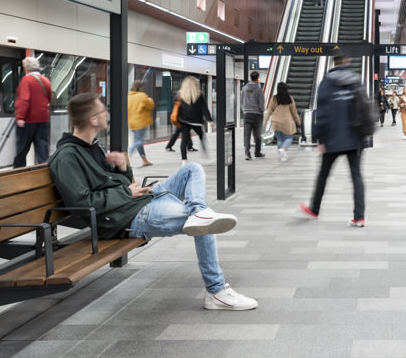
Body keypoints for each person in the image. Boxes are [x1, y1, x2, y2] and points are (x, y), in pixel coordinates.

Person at [48, 92, 257, 311]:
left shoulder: (94, 147)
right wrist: (126, 194)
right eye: (102, 110)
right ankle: (217, 292)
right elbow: (82, 202)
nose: (106, 113)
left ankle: (198, 210)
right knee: (206, 224)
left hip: (139, 202)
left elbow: (125, 183)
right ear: (92, 119)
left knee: (192, 170)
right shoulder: (67, 157)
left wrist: (122, 167)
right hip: (127, 217)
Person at [300, 50, 367, 227]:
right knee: (356, 176)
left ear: (333, 63)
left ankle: (314, 209)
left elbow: (321, 113)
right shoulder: (356, 80)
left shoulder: (327, 83)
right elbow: (364, 107)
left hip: (333, 138)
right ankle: (359, 217)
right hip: (354, 137)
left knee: (323, 174)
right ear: (348, 61)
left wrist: (319, 138)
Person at [13, 56, 51, 168]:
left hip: (28, 119)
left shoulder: (26, 80)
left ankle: (18, 171)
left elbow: (24, 99)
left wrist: (20, 117)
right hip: (43, 118)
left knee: (22, 147)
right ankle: (44, 169)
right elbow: (49, 98)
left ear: (27, 68)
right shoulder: (46, 80)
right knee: (42, 146)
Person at [177, 76, 212, 162]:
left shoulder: (180, 94)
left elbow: (177, 108)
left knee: (184, 140)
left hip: (184, 121)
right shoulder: (198, 94)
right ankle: (205, 155)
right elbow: (204, 108)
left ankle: (184, 160)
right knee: (202, 136)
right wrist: (209, 119)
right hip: (196, 121)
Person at [264, 82, 301, 162]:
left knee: (279, 139)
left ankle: (282, 156)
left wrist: (266, 120)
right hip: (286, 122)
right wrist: (298, 120)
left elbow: (269, 110)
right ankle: (283, 150)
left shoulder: (274, 98)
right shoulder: (290, 98)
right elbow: (294, 112)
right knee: (289, 137)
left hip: (275, 122)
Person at [127, 80, 154, 167]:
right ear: (140, 87)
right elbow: (150, 105)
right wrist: (150, 99)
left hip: (132, 122)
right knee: (139, 141)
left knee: (138, 141)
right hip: (140, 122)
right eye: (142, 87)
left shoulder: (128, 96)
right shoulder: (142, 96)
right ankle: (127, 156)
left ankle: (144, 160)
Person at [241, 71, 265, 160]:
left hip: (247, 115)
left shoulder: (244, 88)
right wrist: (261, 111)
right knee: (258, 135)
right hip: (257, 115)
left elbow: (241, 102)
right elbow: (261, 103)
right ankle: (257, 152)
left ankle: (247, 153)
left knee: (247, 135)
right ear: (258, 78)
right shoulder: (258, 89)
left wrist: (245, 110)